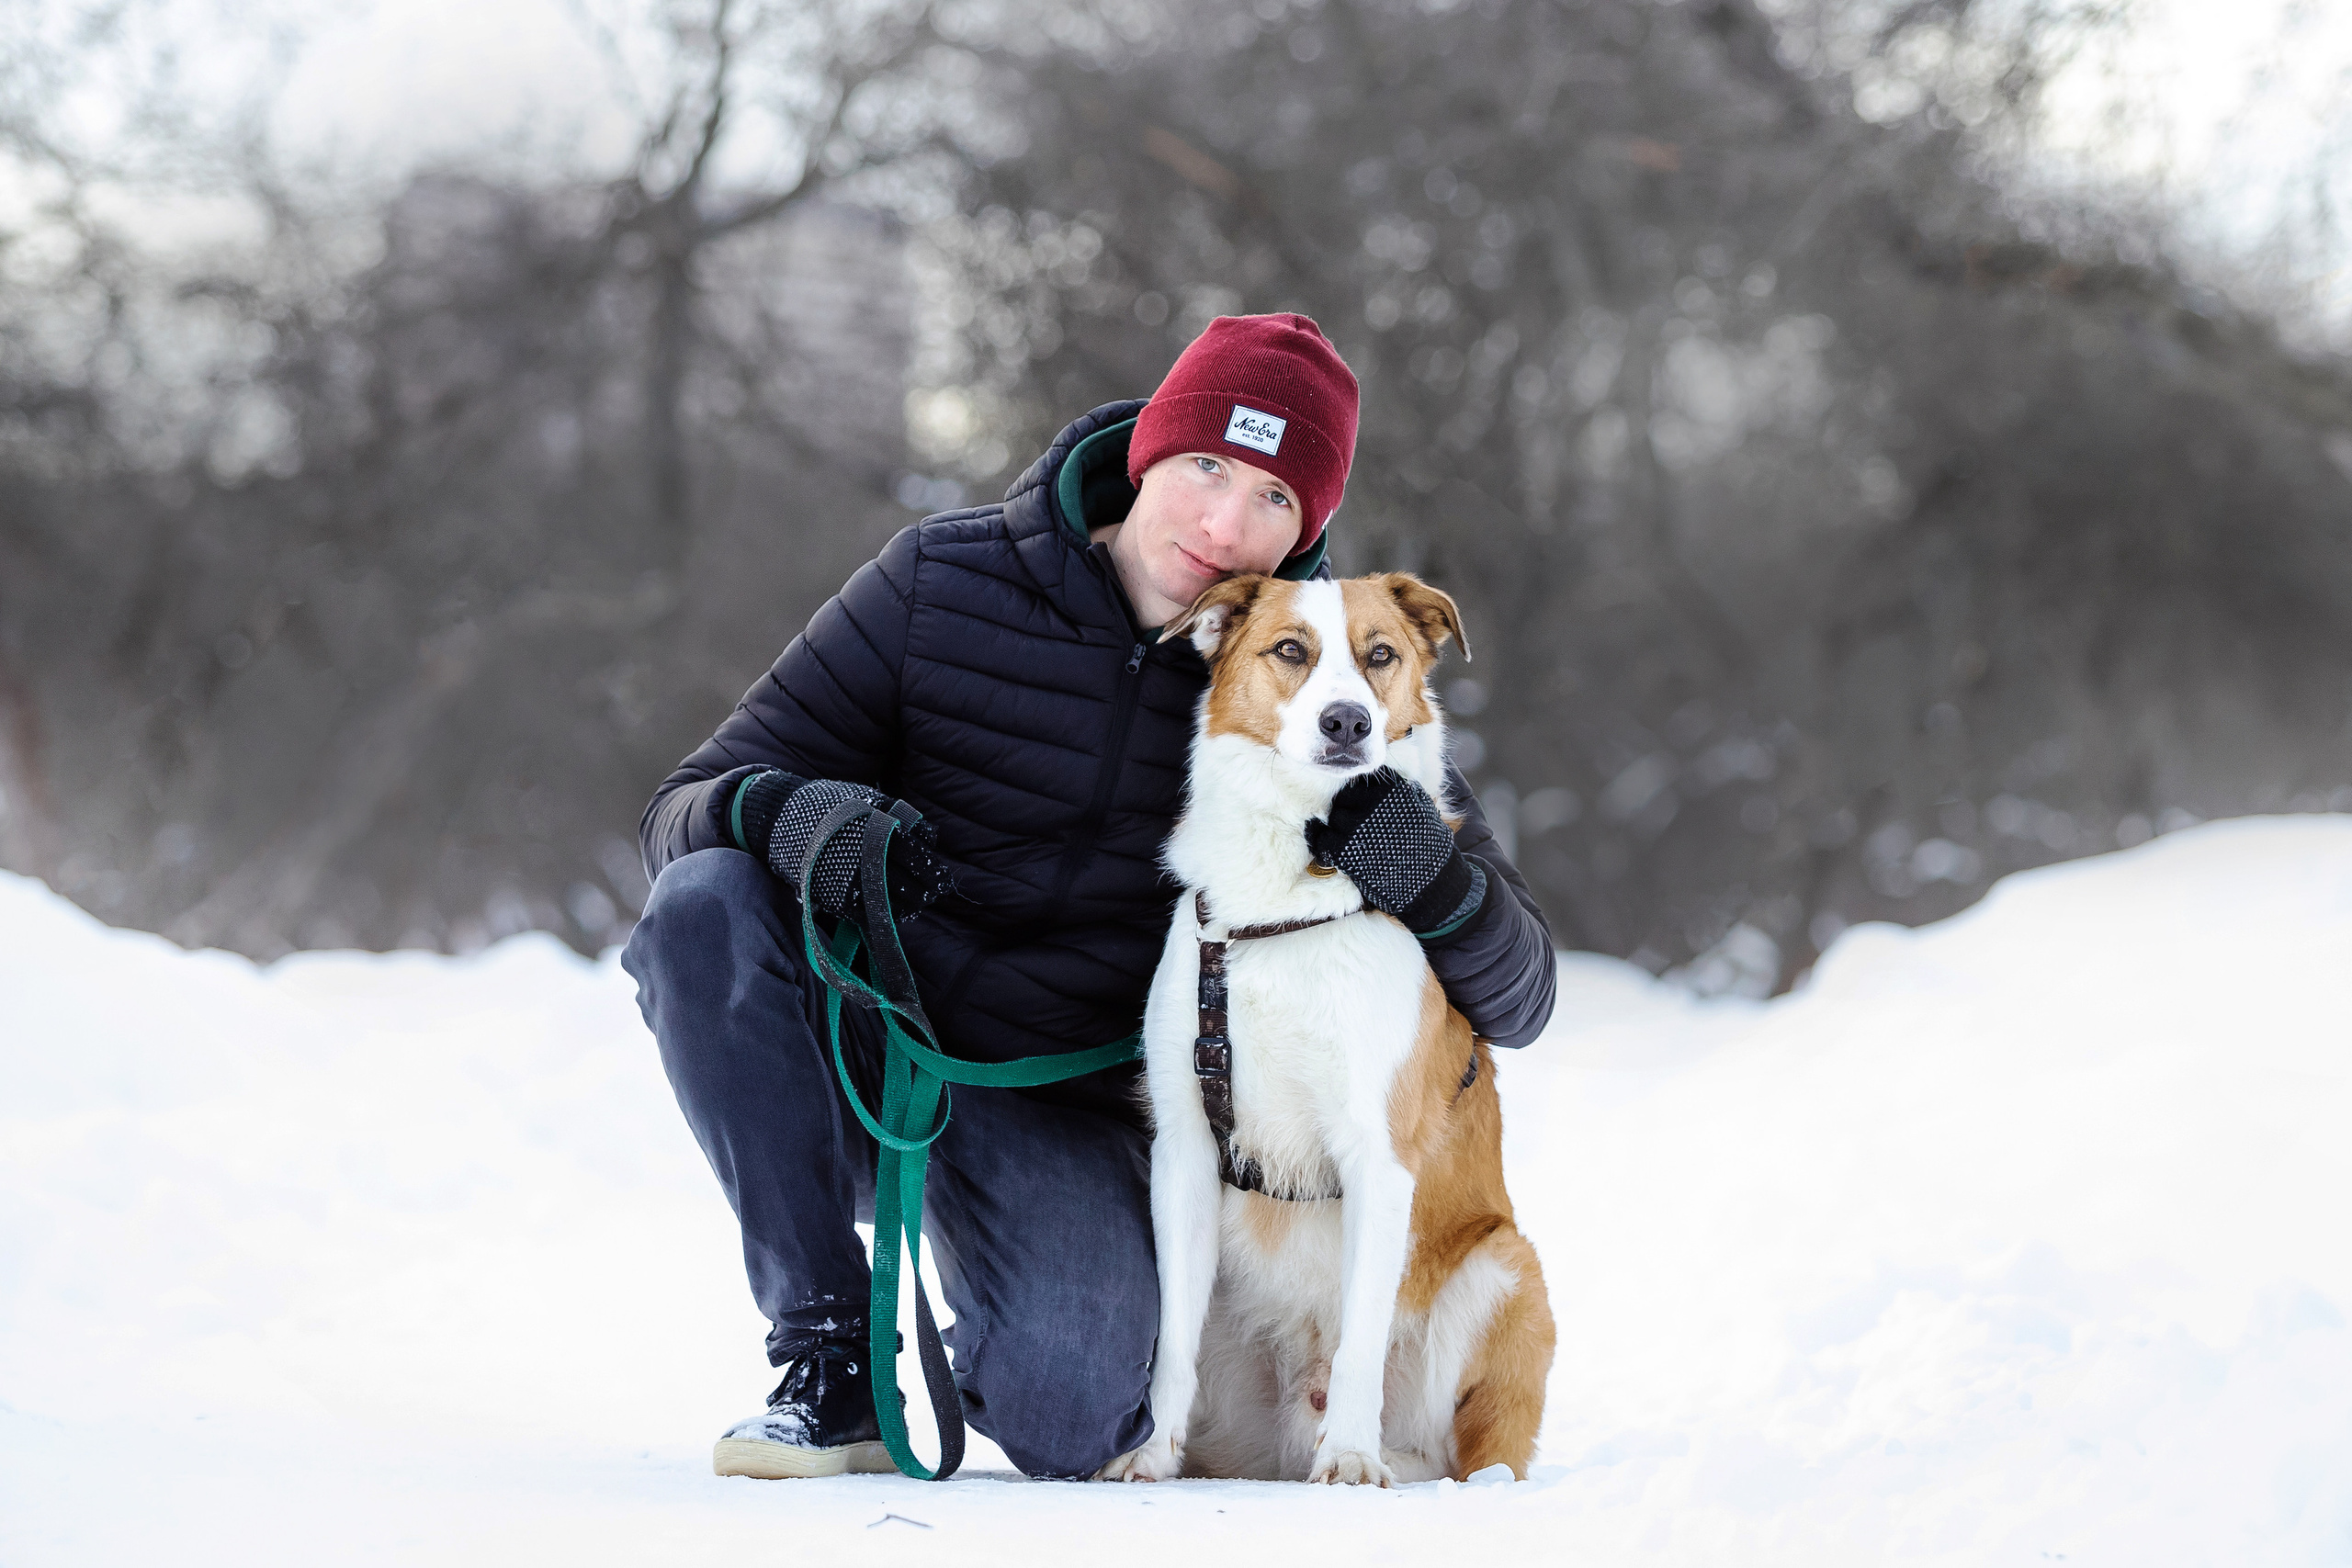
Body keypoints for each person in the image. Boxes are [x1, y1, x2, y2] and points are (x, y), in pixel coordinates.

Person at [623, 313, 1557, 1482]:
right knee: (705, 905)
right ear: (1147, 454)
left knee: (1075, 1415)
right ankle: (827, 1361)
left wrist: (1433, 878)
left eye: (1272, 497)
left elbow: (1519, 996)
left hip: (1064, 1109)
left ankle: (1007, 1282)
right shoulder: (939, 584)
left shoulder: (1307, 664)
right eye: (1207, 466)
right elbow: (683, 807)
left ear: (1306, 530)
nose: (1223, 524)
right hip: (879, 1042)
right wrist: (786, 816)